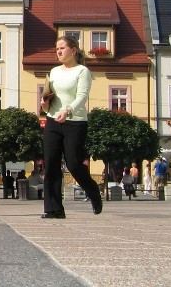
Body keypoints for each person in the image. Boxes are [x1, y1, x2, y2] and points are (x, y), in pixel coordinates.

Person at [41, 36, 102, 219]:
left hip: (75, 121)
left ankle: (93, 191)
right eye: (56, 49)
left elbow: (82, 97)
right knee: (51, 164)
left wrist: (68, 111)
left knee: (74, 163)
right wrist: (44, 103)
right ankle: (54, 209)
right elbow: (49, 96)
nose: (58, 52)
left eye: (62, 48)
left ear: (73, 50)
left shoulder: (82, 71)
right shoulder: (53, 71)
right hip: (53, 120)